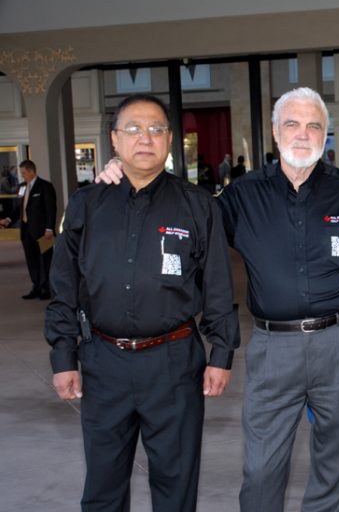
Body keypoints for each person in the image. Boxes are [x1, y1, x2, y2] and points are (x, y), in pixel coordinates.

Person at [98, 87, 339, 512]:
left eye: (313, 126)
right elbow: (181, 219)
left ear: (326, 133)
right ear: (276, 133)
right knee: (262, 465)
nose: (303, 135)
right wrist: (126, 170)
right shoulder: (242, 195)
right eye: (292, 125)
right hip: (272, 346)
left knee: (337, 460)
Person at [45, 94, 240, 511]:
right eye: (133, 129)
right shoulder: (87, 204)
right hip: (103, 361)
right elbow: (64, 285)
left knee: (176, 481)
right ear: (114, 139)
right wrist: (64, 356)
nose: (145, 138)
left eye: (156, 129)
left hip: (173, 362)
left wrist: (221, 351)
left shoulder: (198, 205)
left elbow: (219, 286)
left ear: (170, 139)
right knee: (103, 484)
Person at [0, 160, 56, 299]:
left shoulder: (45, 186)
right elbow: (19, 208)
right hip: (26, 231)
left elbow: (51, 209)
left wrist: (49, 228)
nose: (22, 176)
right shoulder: (22, 187)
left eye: (24, 173)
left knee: (45, 260)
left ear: (32, 171)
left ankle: (46, 288)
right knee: (32, 260)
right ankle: (36, 286)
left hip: (43, 232)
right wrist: (9, 219)